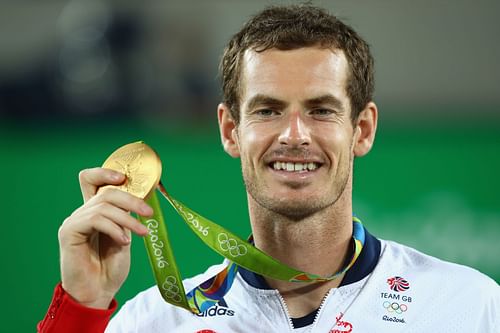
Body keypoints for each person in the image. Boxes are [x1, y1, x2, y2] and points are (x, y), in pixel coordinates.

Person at [38, 4, 499, 332]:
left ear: (362, 129)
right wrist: (83, 308)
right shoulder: (153, 321)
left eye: (321, 110)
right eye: (267, 110)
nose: (294, 134)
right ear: (229, 130)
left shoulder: (468, 307)